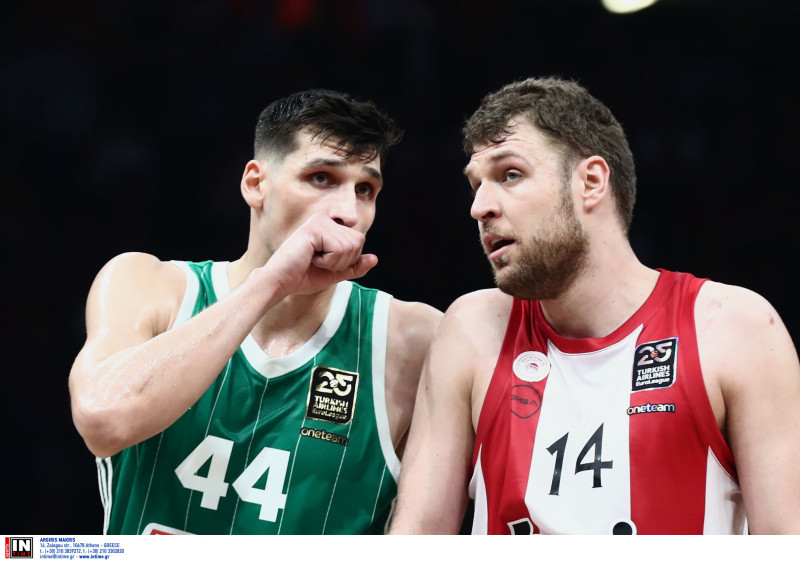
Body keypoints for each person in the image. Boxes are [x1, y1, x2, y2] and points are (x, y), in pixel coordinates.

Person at [389, 77, 800, 535]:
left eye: (510, 175)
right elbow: (416, 538)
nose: (480, 207)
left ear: (590, 182)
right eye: (475, 185)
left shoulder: (735, 329)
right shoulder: (472, 328)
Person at [69, 89, 442, 535]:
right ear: (255, 184)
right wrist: (272, 282)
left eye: (366, 189)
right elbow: (103, 421)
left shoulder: (412, 339)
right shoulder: (148, 285)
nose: (348, 213)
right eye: (321, 178)